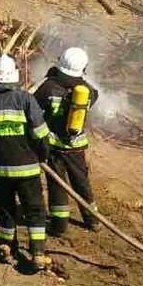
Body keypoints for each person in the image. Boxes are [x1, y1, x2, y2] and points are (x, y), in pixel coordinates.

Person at [0, 55, 52, 270]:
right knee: (34, 210)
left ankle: (6, 248)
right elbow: (40, 133)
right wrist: (43, 155)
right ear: (14, 75)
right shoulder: (25, 99)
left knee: (5, 209)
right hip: (26, 168)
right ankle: (37, 253)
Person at [33, 48, 101, 236]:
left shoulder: (48, 87)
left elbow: (33, 106)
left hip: (54, 147)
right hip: (76, 147)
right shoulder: (86, 90)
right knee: (81, 182)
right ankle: (93, 220)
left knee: (57, 185)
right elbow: (95, 95)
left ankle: (59, 224)